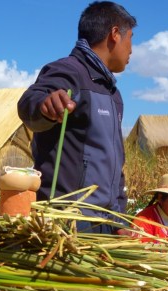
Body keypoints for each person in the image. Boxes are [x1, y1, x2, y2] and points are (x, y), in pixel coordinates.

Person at [17, 1, 136, 233]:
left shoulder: (113, 94)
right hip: (69, 222)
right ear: (115, 35)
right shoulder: (70, 72)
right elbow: (29, 102)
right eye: (130, 38)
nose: (131, 49)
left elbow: (113, 164)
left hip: (105, 223)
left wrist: (119, 220)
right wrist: (45, 105)